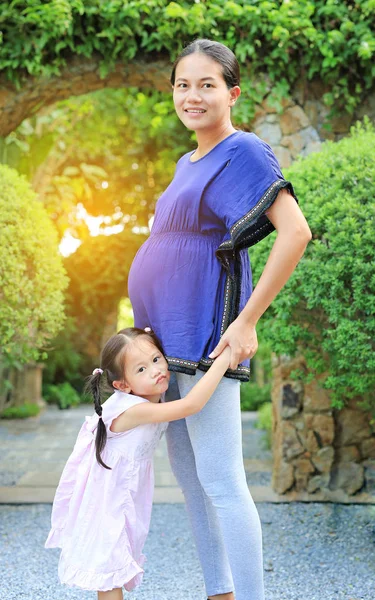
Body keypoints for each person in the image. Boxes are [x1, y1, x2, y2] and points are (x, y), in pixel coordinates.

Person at [128, 39, 312, 600]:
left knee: (223, 482)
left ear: (232, 93)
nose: (192, 95)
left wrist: (247, 321)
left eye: (206, 84)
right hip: (166, 334)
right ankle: (219, 592)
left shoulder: (245, 151)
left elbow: (295, 232)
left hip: (208, 332)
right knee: (191, 481)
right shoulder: (188, 160)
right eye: (183, 84)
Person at [45, 327, 231, 599]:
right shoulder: (134, 408)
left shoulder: (150, 394)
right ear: (123, 385)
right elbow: (191, 405)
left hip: (124, 489)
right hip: (108, 494)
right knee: (109, 565)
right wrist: (225, 357)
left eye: (156, 359)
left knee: (118, 557)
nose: (156, 371)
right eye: (141, 370)